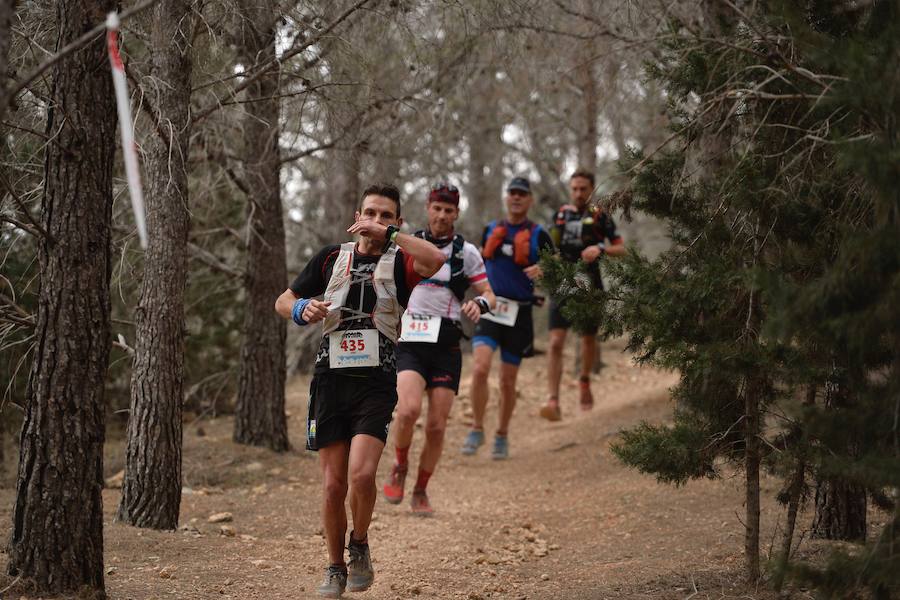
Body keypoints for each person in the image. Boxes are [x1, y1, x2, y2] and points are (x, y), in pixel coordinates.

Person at [274, 184, 444, 598]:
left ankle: (360, 543)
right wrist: (301, 309)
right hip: (331, 379)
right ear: (356, 213)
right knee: (333, 485)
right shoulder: (333, 256)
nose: (375, 221)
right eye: (370, 212)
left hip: (377, 380)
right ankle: (334, 567)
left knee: (362, 474)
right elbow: (283, 299)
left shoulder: (402, 260)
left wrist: (389, 237)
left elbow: (435, 259)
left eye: (386, 216)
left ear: (397, 223)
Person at [381, 183, 496, 515]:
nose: (442, 215)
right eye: (437, 208)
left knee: (436, 425)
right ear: (428, 209)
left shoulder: (466, 252)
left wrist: (481, 304)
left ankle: (420, 490)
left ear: (456, 213)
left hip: (446, 344)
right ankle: (400, 465)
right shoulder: (408, 246)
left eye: (449, 210)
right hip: (412, 342)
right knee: (406, 411)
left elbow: (489, 292)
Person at [460, 176, 554, 460]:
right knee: (479, 369)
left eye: (522, 194)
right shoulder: (490, 229)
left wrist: (545, 269)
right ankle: (476, 427)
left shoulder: (539, 234)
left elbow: (559, 267)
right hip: (491, 308)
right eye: (512, 193)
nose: (516, 198)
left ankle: (501, 433)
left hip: (519, 314)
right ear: (506, 197)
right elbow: (473, 264)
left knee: (508, 381)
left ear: (530, 200)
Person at [539, 170, 625, 422]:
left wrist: (600, 249)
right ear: (570, 189)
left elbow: (621, 248)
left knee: (588, 339)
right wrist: (549, 261)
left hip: (590, 283)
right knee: (555, 342)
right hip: (563, 283)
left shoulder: (601, 216)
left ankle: (584, 380)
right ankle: (552, 400)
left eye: (583, 189)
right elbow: (549, 248)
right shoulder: (561, 216)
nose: (578, 193)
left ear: (591, 190)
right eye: (574, 188)